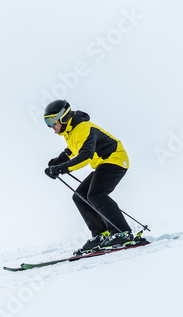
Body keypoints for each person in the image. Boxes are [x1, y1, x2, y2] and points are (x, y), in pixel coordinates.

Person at [42, 100, 144, 255]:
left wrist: (61, 168)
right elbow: (72, 150)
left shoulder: (83, 128)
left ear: (62, 117)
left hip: (115, 160)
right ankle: (101, 234)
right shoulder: (70, 132)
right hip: (103, 164)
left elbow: (85, 156)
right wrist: (58, 161)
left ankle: (123, 232)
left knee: (96, 194)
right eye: (46, 122)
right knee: (79, 196)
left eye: (51, 121)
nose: (50, 126)